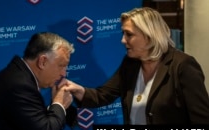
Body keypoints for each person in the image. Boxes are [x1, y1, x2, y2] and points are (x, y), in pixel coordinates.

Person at [62, 7, 209, 124]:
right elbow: (103, 95)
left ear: (149, 35)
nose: (123, 40)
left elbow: (202, 120)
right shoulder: (130, 63)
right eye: (123, 34)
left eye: (129, 35)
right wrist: (78, 90)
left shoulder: (182, 65)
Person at [0, 32, 75, 130]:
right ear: (42, 61)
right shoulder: (20, 86)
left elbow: (31, 124)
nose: (64, 74)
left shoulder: (19, 76)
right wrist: (59, 104)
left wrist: (55, 108)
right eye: (61, 66)